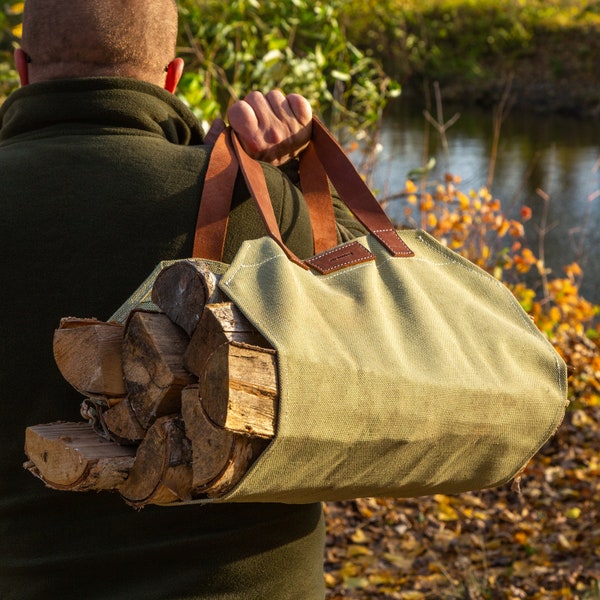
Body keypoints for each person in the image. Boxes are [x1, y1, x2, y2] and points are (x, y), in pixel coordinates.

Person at [0, 1, 365, 598]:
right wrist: (301, 168)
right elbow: (375, 300)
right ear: (172, 77)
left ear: (20, 68)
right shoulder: (259, 203)